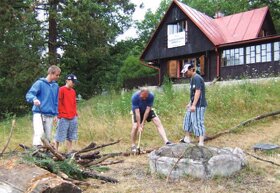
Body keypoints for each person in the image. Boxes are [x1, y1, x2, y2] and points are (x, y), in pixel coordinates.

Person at [26, 65, 61, 147]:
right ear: (51, 73)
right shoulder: (39, 83)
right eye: (57, 75)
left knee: (48, 136)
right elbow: (29, 94)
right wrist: (34, 99)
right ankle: (37, 151)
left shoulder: (56, 86)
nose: (58, 77)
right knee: (39, 133)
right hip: (39, 112)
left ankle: (46, 153)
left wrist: (56, 114)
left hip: (50, 114)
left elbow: (56, 101)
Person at [131, 88, 171, 152]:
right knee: (135, 126)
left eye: (146, 97)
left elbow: (147, 110)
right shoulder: (135, 97)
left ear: (148, 94)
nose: (144, 98)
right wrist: (139, 126)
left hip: (147, 110)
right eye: (143, 97)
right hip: (137, 111)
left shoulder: (151, 96)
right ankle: (133, 145)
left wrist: (143, 123)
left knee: (157, 121)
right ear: (140, 94)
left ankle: (166, 141)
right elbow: (137, 113)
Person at [180, 63, 207, 146]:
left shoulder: (197, 78)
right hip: (193, 104)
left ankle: (201, 142)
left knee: (198, 122)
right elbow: (193, 93)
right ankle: (187, 138)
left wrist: (194, 105)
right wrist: (190, 103)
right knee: (187, 120)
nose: (185, 74)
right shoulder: (192, 79)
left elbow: (198, 92)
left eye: (186, 72)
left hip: (199, 105)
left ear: (192, 69)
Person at [55, 74, 78, 154]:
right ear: (67, 81)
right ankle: (55, 151)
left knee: (71, 136)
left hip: (73, 116)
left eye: (74, 82)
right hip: (63, 116)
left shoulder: (73, 91)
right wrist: (59, 115)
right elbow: (58, 102)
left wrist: (75, 113)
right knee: (59, 135)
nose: (73, 84)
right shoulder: (61, 89)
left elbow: (74, 103)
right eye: (72, 82)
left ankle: (69, 152)